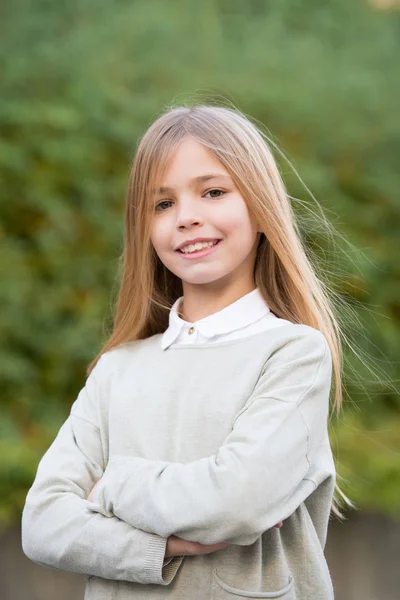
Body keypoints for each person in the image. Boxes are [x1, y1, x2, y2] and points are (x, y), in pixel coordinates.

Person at [21, 104, 352, 599]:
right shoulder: (117, 369)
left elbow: (234, 503)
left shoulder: (293, 354)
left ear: (261, 207)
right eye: (162, 204)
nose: (187, 218)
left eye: (213, 192)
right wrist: (163, 547)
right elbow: (43, 522)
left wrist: (111, 488)